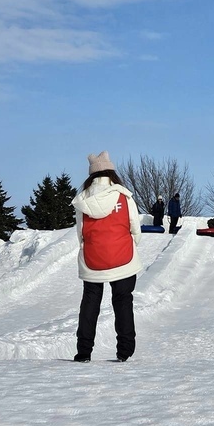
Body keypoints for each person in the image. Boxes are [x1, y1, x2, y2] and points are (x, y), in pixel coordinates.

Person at [72, 151, 141, 363]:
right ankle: (124, 350)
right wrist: (129, 244)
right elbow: (134, 227)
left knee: (90, 303)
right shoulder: (123, 196)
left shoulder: (83, 200)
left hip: (93, 258)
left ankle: (84, 351)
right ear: (111, 172)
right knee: (123, 301)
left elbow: (80, 232)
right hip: (123, 257)